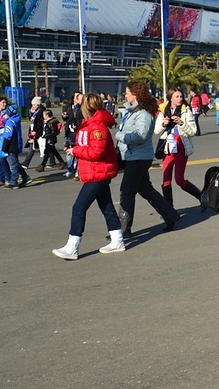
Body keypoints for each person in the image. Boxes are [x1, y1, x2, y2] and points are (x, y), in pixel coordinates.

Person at [52, 94, 125, 260]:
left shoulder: (97, 126)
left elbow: (97, 152)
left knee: (79, 207)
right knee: (107, 207)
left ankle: (73, 245)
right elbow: (89, 146)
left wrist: (76, 151)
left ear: (86, 107)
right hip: (94, 171)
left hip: (98, 173)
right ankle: (117, 239)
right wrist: (74, 148)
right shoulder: (89, 125)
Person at [115, 81, 181, 238]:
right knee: (145, 189)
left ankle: (123, 229)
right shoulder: (132, 111)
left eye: (127, 92)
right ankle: (170, 215)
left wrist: (120, 136)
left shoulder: (143, 114)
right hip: (134, 156)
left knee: (127, 191)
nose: (125, 94)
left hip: (138, 157)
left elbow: (140, 135)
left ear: (136, 94)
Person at [154, 88, 202, 206]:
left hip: (181, 150)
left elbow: (193, 131)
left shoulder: (186, 111)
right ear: (170, 98)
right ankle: (169, 208)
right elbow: (156, 131)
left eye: (181, 96)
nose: (180, 99)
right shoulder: (162, 110)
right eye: (177, 96)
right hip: (168, 150)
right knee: (166, 181)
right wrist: (163, 124)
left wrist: (182, 123)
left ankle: (202, 197)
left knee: (179, 180)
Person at [62, 92, 83, 178]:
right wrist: (64, 116)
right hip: (69, 131)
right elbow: (66, 117)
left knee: (78, 151)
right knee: (69, 152)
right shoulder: (69, 106)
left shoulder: (81, 108)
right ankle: (70, 169)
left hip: (77, 131)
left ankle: (78, 171)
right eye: (76, 97)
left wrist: (76, 125)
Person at [22, 97, 45, 169]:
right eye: (32, 104)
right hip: (33, 131)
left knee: (46, 147)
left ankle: (26, 163)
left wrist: (35, 131)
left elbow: (40, 123)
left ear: (38, 104)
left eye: (34, 104)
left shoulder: (41, 112)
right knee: (33, 146)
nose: (33, 106)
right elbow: (31, 120)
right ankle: (26, 163)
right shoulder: (35, 112)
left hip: (39, 132)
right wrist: (31, 113)